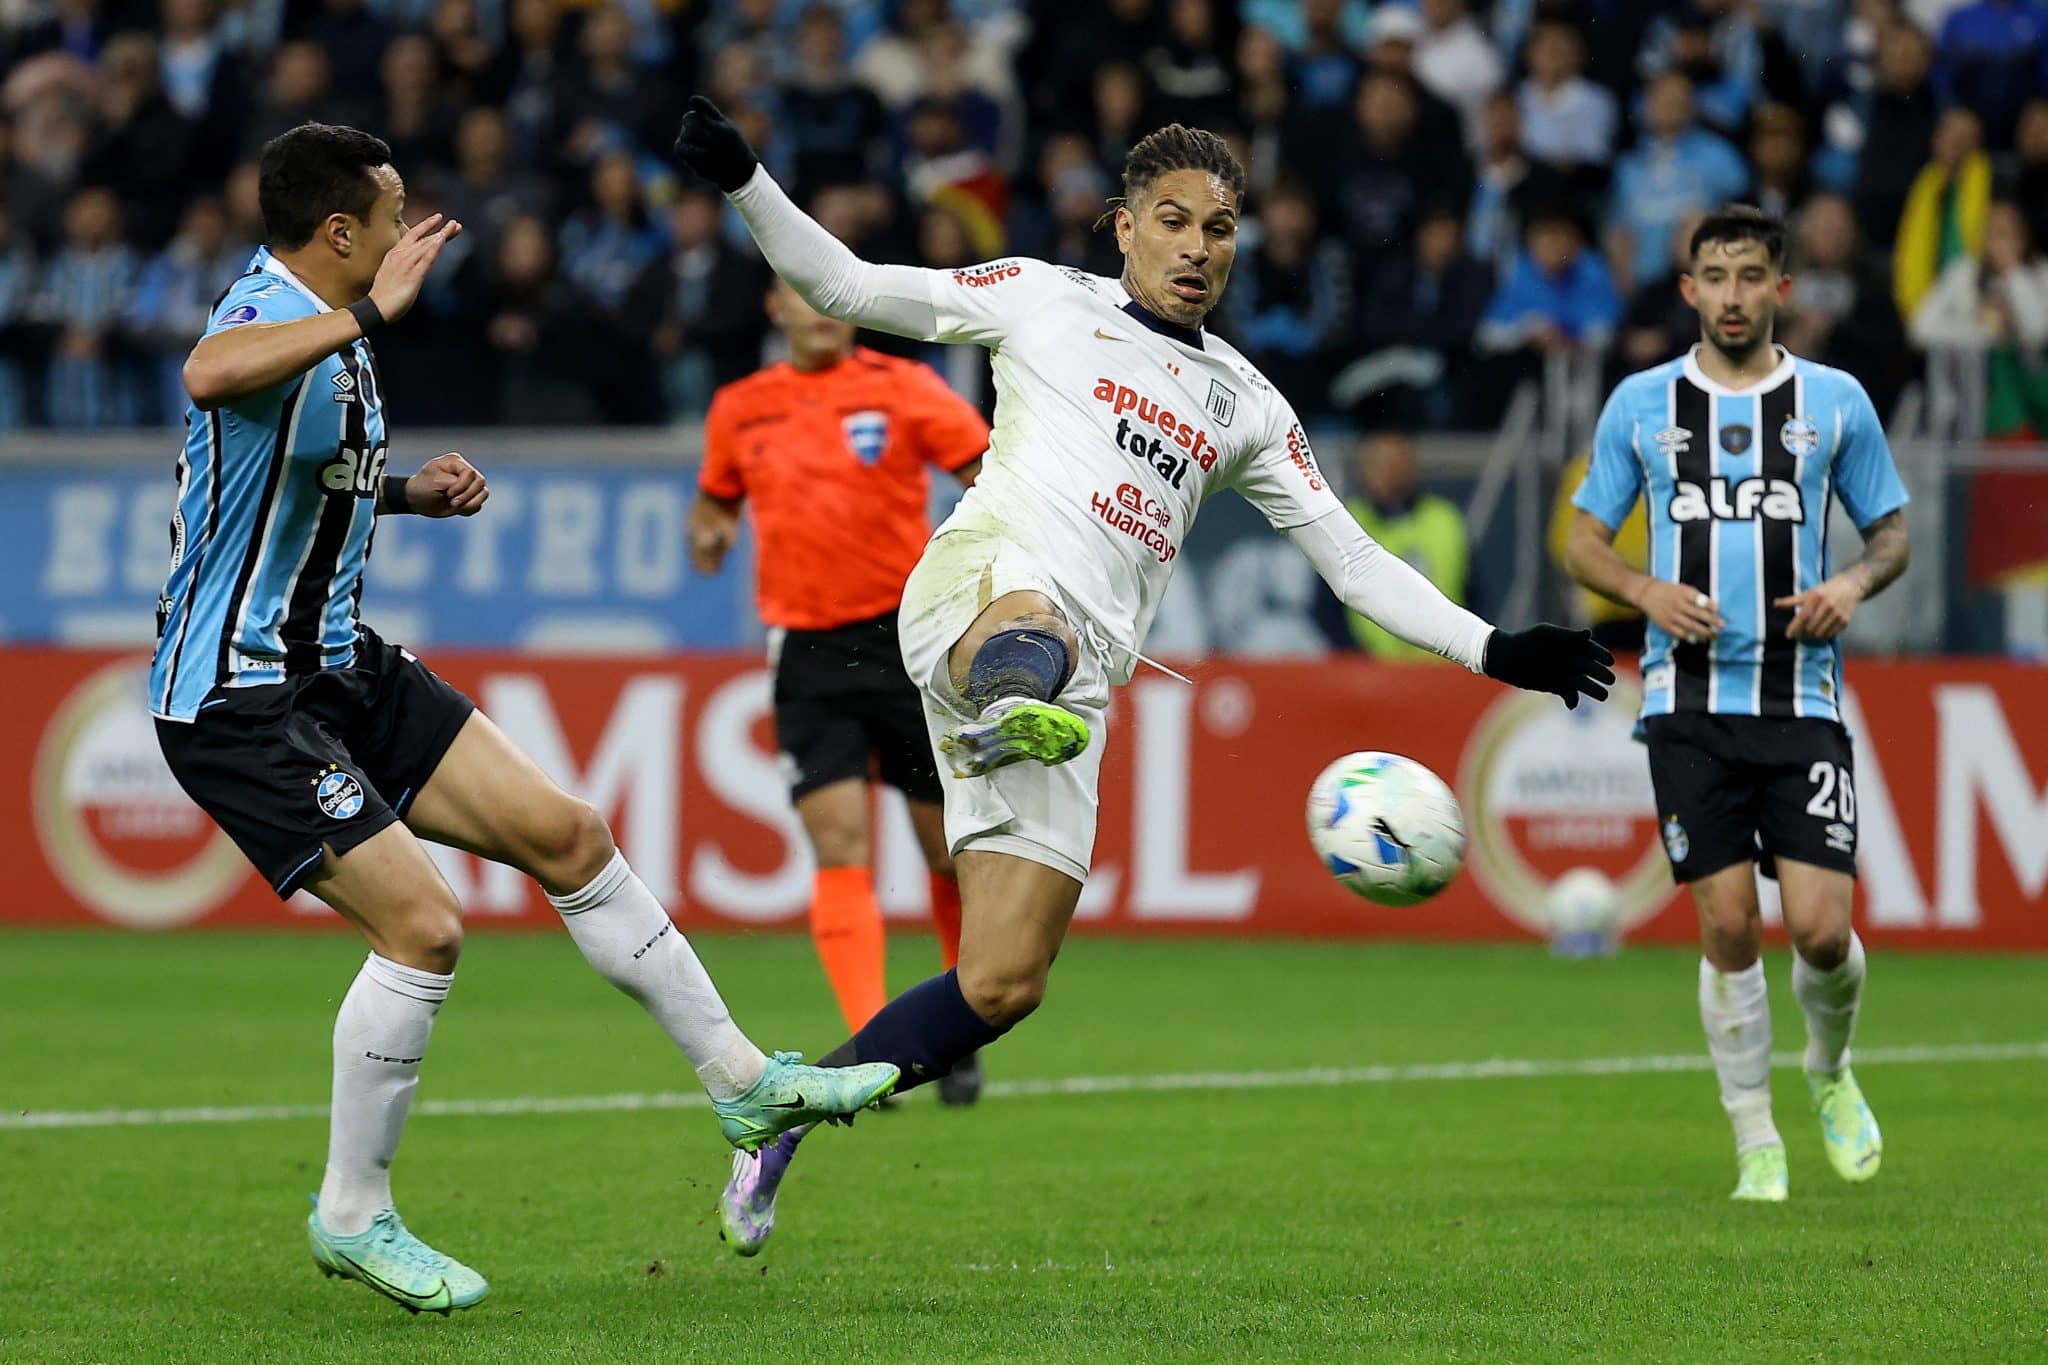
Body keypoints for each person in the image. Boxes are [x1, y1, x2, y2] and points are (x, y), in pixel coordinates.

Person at [672, 96, 1613, 1253]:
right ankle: (998, 706)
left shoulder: (1248, 406)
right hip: (981, 585)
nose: (1197, 249)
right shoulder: (1040, 299)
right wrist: (745, 179)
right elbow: (852, 289)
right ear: (1122, 227)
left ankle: (783, 1118)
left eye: (1219, 230)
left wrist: (1491, 648)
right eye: (1173, 222)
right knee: (1037, 628)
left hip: (1080, 683)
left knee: (1004, 980)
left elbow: (1353, 559)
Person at [148, 123, 898, 1314]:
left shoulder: (327, 338)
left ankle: (744, 1084)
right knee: (425, 930)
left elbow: (276, 479)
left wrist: (402, 494)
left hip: (341, 665)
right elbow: (207, 376)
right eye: (391, 216)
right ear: (340, 234)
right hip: (239, 697)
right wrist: (371, 313)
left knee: (570, 837)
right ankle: (352, 1213)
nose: (407, 235)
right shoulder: (271, 312)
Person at [1562, 205, 1911, 1203]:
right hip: (1684, 700)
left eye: (1748, 276)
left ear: (1779, 290)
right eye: (1711, 277)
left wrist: (1849, 584)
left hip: (1798, 699)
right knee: (1725, 927)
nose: (1729, 295)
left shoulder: (1833, 402)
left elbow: (1889, 531)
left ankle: (1829, 1071)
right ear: (1686, 290)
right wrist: (1641, 591)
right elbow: (1584, 537)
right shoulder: (1640, 403)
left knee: (1817, 932)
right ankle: (1754, 1135)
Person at [689, 275, 992, 1140]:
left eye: (828, 294)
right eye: (796, 294)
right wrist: (708, 534)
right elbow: (712, 506)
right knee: (839, 845)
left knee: (944, 851)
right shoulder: (741, 408)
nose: (817, 309)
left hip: (905, 642)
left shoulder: (903, 390)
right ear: (773, 307)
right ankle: (872, 1054)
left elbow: (984, 467)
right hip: (807, 654)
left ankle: (959, 1016)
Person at [1342, 432, 1470, 660]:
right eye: (1383, 464)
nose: (1392, 472)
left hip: (1442, 671)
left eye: (1399, 463)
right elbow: (1326, 608)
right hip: (1372, 676)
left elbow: (1473, 594)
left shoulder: (1444, 519)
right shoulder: (1349, 521)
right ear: (1366, 470)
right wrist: (1356, 663)